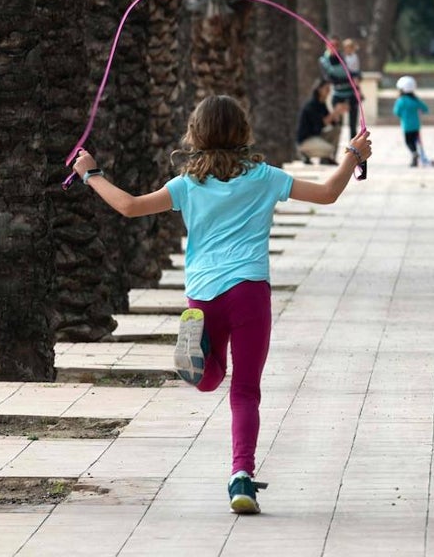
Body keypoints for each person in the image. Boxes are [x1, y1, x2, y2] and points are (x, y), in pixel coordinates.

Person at [71, 96, 372, 514]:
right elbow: (326, 193)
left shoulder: (186, 185)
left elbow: (130, 206)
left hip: (203, 294)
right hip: (249, 292)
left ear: (195, 133)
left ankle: (201, 364)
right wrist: (353, 155)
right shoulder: (264, 177)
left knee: (211, 379)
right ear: (242, 132)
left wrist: (91, 174)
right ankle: (241, 477)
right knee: (245, 391)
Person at [296, 79, 348, 165]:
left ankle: (327, 159)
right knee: (329, 149)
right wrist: (335, 112)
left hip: (317, 136)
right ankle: (304, 153)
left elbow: (332, 124)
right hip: (306, 140)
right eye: (326, 89)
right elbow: (321, 123)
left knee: (337, 129)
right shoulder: (311, 106)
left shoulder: (322, 104)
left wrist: (338, 113)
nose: (328, 91)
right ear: (319, 89)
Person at [319, 39, 358, 138]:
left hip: (351, 94)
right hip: (338, 95)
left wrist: (351, 77)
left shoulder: (344, 58)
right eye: (331, 46)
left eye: (336, 45)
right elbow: (330, 78)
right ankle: (335, 148)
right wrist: (347, 78)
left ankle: (354, 148)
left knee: (353, 125)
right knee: (338, 125)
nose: (333, 48)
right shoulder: (324, 60)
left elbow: (355, 73)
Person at [393, 75, 430, 167]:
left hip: (406, 126)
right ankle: (416, 156)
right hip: (416, 126)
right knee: (415, 141)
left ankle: (414, 154)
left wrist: (402, 115)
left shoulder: (401, 100)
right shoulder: (415, 100)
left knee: (408, 142)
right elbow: (425, 109)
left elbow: (396, 112)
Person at [340, 39, 363, 136]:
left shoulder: (354, 57)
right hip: (344, 84)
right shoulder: (342, 57)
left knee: (353, 115)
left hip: (353, 83)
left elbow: (355, 70)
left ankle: (353, 136)